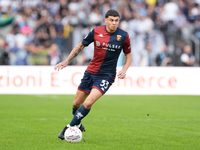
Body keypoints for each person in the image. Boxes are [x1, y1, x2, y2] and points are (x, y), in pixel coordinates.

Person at [54, 9, 132, 140]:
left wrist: (124, 69)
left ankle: (69, 127)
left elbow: (128, 55)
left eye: (116, 20)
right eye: (111, 20)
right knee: (76, 104)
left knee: (89, 102)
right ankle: (78, 122)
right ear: (106, 20)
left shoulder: (123, 36)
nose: (114, 23)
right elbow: (81, 46)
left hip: (107, 75)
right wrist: (67, 61)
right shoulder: (96, 31)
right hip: (91, 72)